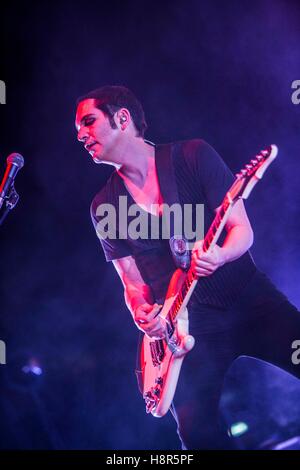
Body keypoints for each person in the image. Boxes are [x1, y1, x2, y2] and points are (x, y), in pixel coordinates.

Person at [75, 85, 300, 449]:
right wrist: (140, 311)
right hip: (187, 327)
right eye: (78, 130)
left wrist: (222, 255)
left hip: (247, 298)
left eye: (88, 122)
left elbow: (242, 231)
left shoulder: (192, 155)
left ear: (122, 118)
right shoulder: (104, 204)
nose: (82, 135)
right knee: (196, 435)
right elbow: (131, 283)